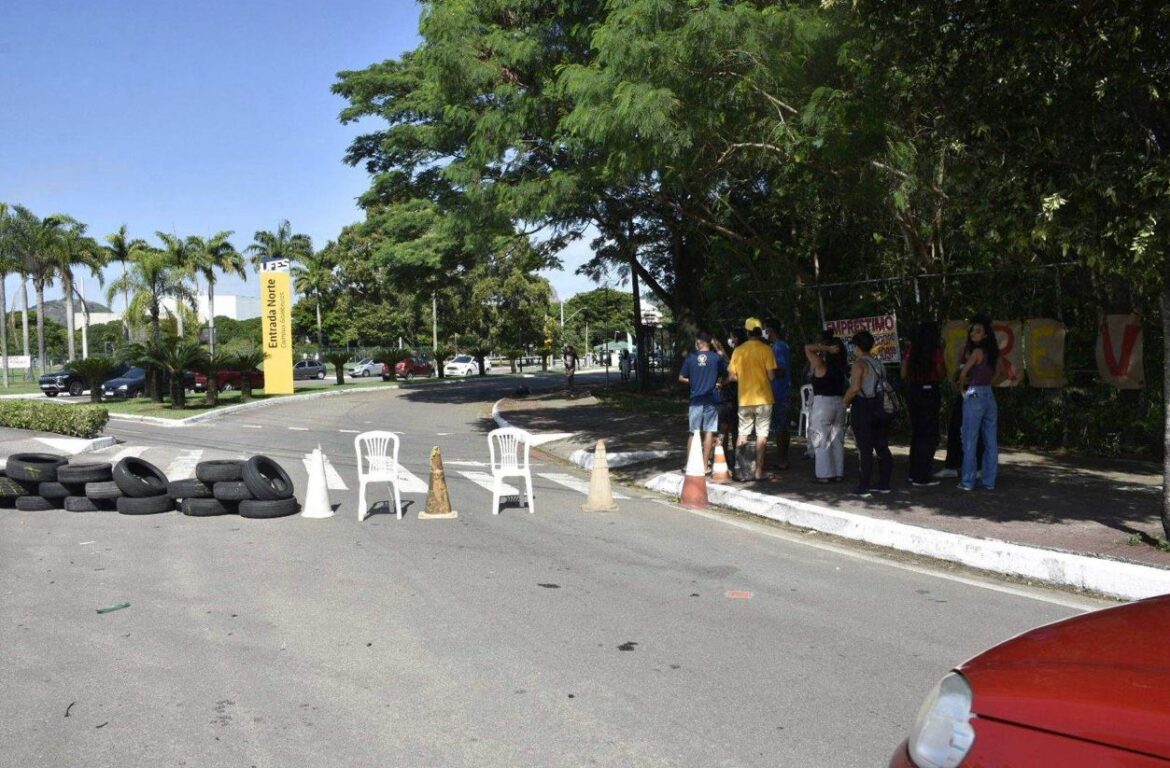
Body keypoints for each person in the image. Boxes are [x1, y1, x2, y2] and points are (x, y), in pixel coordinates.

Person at [843, 330, 893, 498]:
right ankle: (884, 484)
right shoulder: (878, 363)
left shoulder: (859, 364)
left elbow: (855, 388)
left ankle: (864, 486)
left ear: (857, 347)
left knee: (865, 448)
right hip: (880, 407)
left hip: (863, 406)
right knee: (881, 446)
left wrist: (844, 403)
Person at [728, 318, 777, 482]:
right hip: (764, 398)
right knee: (762, 435)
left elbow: (732, 376)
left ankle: (742, 471)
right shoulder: (767, 349)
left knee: (742, 434)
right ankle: (758, 472)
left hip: (744, 398)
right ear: (759, 332)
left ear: (748, 332)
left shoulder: (738, 351)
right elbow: (771, 376)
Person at [901, 322, 946, 486]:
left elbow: (903, 373)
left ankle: (914, 473)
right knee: (929, 434)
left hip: (914, 390)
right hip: (930, 390)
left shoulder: (910, 351)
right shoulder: (935, 352)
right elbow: (942, 373)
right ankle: (923, 475)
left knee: (917, 432)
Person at [958, 316, 999, 491]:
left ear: (985, 335)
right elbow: (1002, 373)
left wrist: (963, 391)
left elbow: (962, 374)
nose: (973, 333)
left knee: (970, 439)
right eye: (973, 330)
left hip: (974, 394)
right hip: (989, 394)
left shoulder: (976, 353)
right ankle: (989, 481)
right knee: (991, 441)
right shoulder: (994, 354)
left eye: (978, 331)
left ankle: (968, 481)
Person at [678, 331, 728, 472]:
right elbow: (728, 367)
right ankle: (705, 466)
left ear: (699, 342)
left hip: (695, 399)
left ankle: (689, 465)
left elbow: (681, 377)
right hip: (711, 399)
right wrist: (719, 349)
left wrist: (693, 381)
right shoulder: (716, 358)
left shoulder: (691, 357)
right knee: (709, 432)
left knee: (693, 432)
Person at [802, 331, 847, 483]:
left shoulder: (821, 365)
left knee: (821, 440)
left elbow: (807, 348)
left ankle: (825, 474)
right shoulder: (842, 368)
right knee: (837, 440)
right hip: (839, 403)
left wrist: (826, 348)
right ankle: (839, 472)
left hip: (823, 404)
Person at [764, 319, 792, 470]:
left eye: (766, 329)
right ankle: (783, 458)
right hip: (780, 391)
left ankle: (782, 460)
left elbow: (780, 370)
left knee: (781, 427)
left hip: (779, 392)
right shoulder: (781, 345)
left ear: (771, 330)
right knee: (781, 427)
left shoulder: (778, 347)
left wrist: (766, 372)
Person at [718, 327, 746, 478]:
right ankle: (734, 461)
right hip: (740, 395)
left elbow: (733, 376)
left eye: (732, 337)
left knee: (725, 428)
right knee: (735, 429)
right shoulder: (742, 351)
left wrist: (723, 383)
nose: (731, 340)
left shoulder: (737, 353)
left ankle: (724, 459)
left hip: (731, 395)